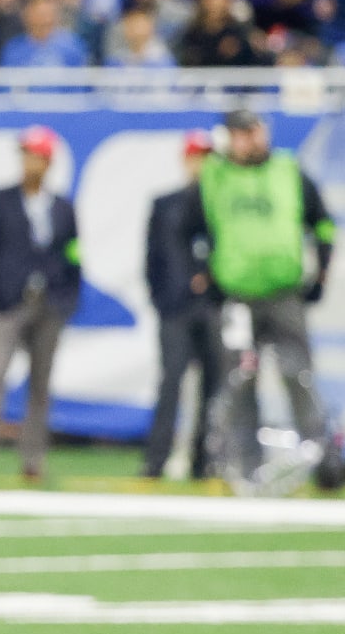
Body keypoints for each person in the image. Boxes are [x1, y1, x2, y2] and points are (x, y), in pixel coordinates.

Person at [195, 107, 335, 474]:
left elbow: (322, 224)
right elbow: (191, 228)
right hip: (237, 297)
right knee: (239, 382)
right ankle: (244, 466)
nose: (245, 140)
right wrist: (204, 276)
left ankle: (324, 462)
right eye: (237, 134)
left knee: (299, 376)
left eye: (249, 132)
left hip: (284, 292)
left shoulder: (288, 171)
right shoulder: (215, 175)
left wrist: (321, 273)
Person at [0, 125, 81, 482]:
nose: (29, 162)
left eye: (36, 155)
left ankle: (33, 461)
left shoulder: (62, 207)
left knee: (40, 386)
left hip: (49, 304)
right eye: (26, 154)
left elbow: (74, 255)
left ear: (48, 162)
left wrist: (67, 297)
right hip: (10, 302)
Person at [141, 130, 225, 480]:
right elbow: (153, 259)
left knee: (214, 385)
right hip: (175, 308)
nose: (200, 164)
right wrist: (163, 300)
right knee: (170, 383)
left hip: (213, 304)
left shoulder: (221, 203)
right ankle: (155, 459)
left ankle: (203, 460)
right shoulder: (166, 203)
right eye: (196, 156)